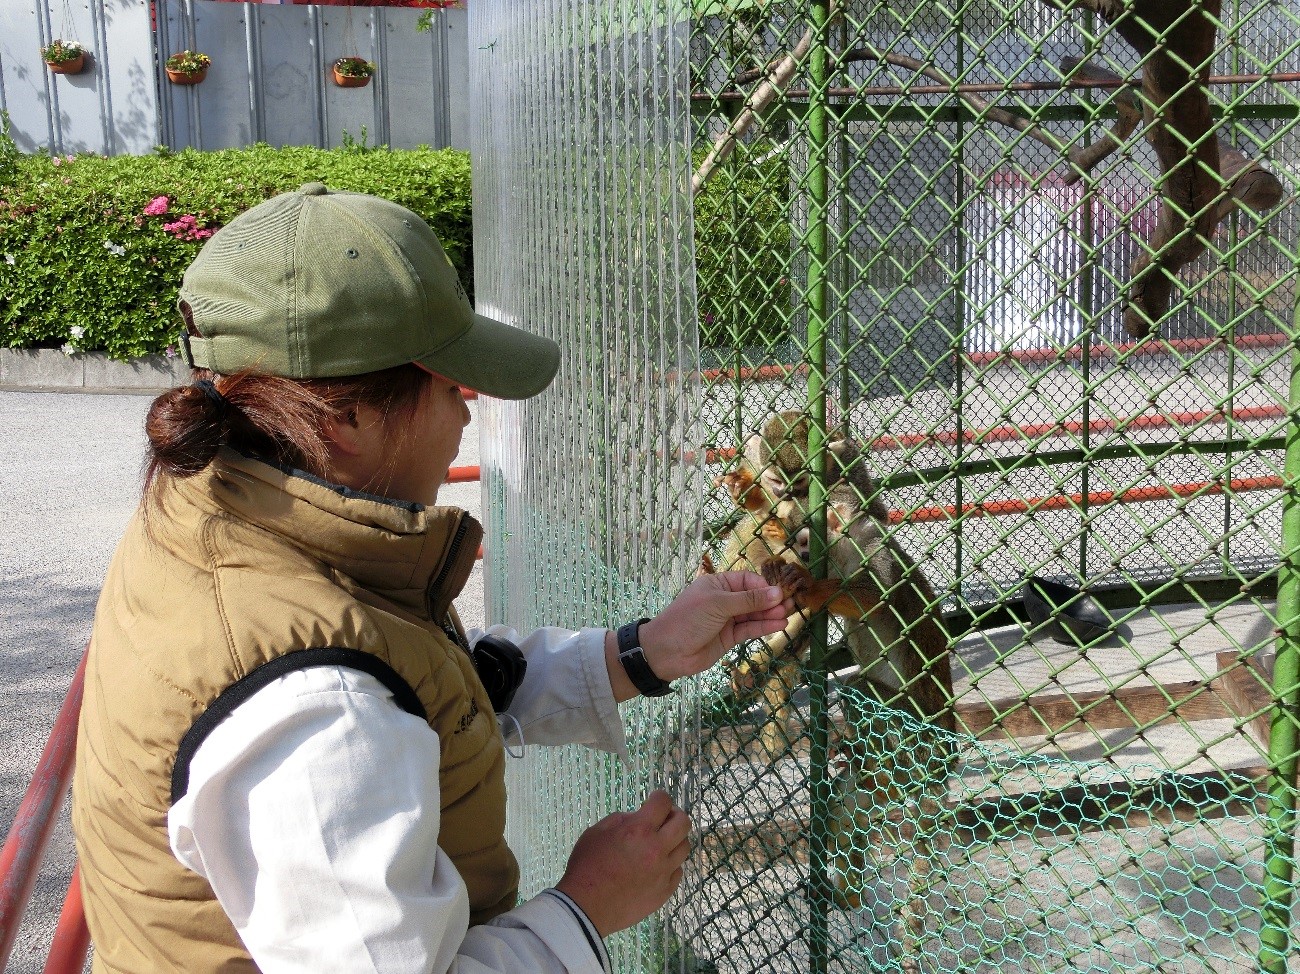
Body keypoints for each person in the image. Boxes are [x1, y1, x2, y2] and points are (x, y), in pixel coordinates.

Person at [70, 182, 793, 974]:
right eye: (451, 386)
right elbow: (351, 697)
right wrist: (585, 908)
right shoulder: (314, 715)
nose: (465, 413)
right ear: (345, 420)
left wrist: (640, 654)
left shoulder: (214, 505)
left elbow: (402, 673)